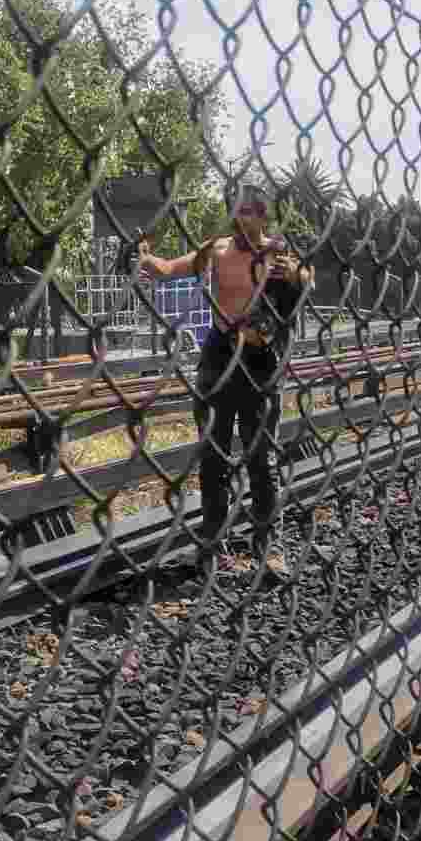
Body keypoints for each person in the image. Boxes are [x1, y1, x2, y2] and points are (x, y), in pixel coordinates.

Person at [137, 182, 311, 579]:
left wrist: (300, 275)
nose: (243, 216)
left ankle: (267, 548)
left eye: (251, 210)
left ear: (264, 215)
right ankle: (210, 546)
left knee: (259, 459)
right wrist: (146, 258)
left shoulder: (279, 251)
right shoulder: (215, 249)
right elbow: (170, 270)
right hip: (218, 355)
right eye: (238, 209)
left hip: (260, 360)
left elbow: (306, 279)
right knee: (213, 457)